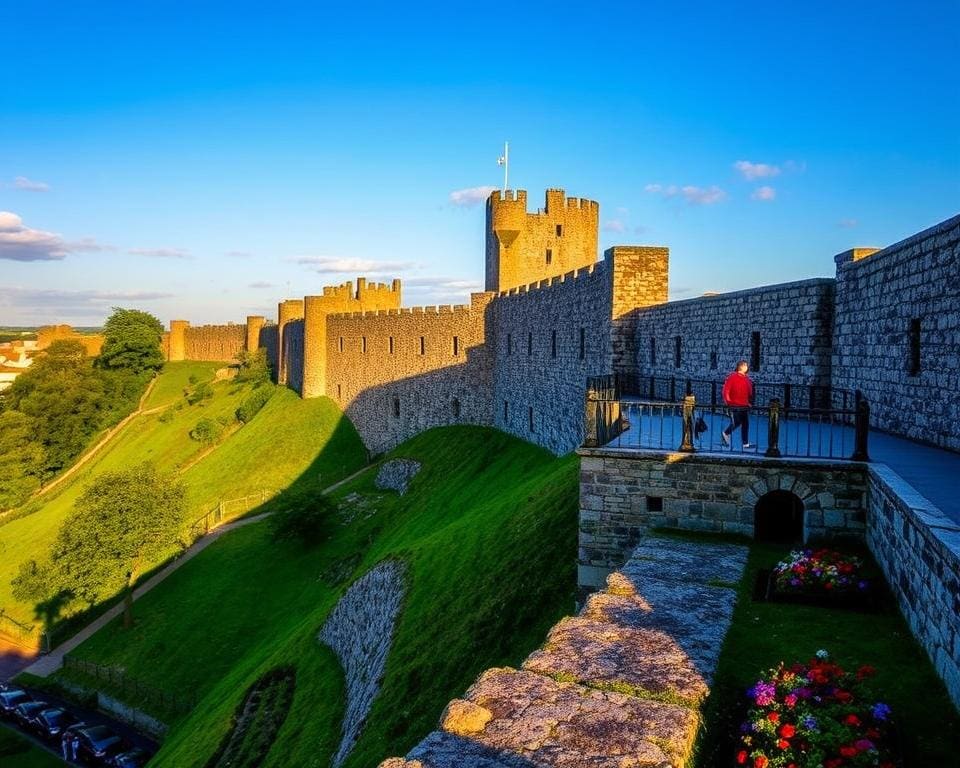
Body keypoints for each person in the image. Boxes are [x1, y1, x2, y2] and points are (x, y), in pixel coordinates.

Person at [721, 360, 754, 448]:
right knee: (739, 423)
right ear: (742, 367)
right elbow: (726, 391)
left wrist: (749, 402)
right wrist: (729, 402)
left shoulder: (741, 378)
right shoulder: (738, 378)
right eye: (745, 365)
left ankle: (744, 442)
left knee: (742, 423)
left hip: (740, 404)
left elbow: (749, 391)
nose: (747, 367)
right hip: (737, 405)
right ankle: (727, 433)